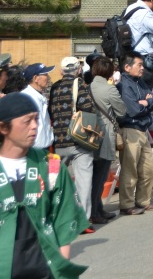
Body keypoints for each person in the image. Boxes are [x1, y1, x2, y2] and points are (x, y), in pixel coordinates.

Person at [0, 93, 89, 277]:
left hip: (44, 267)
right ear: (3, 128)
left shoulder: (51, 165)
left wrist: (62, 266)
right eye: (27, 121)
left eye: (36, 119)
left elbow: (64, 218)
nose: (35, 126)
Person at [48, 56, 95, 226]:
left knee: (54, 181)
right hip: (79, 140)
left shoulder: (54, 87)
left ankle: (55, 217)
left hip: (57, 143)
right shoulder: (80, 84)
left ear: (61, 71)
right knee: (83, 181)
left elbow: (50, 111)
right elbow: (88, 108)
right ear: (79, 70)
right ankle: (82, 220)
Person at [116, 54, 153, 215]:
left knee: (148, 169)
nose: (142, 68)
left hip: (143, 129)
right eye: (139, 65)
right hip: (130, 129)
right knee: (130, 169)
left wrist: (146, 102)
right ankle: (126, 204)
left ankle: (143, 201)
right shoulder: (123, 84)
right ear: (127, 67)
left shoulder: (139, 82)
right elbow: (133, 109)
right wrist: (147, 102)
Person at [88, 55, 124, 225]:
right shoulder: (110, 89)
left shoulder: (86, 87)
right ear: (109, 72)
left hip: (89, 133)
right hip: (105, 134)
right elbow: (122, 110)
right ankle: (95, 211)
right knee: (100, 176)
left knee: (93, 175)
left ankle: (97, 208)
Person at [21, 63, 56, 150]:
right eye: (45, 75)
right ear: (36, 78)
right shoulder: (26, 97)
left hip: (45, 148)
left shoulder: (39, 96)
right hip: (33, 150)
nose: (48, 78)